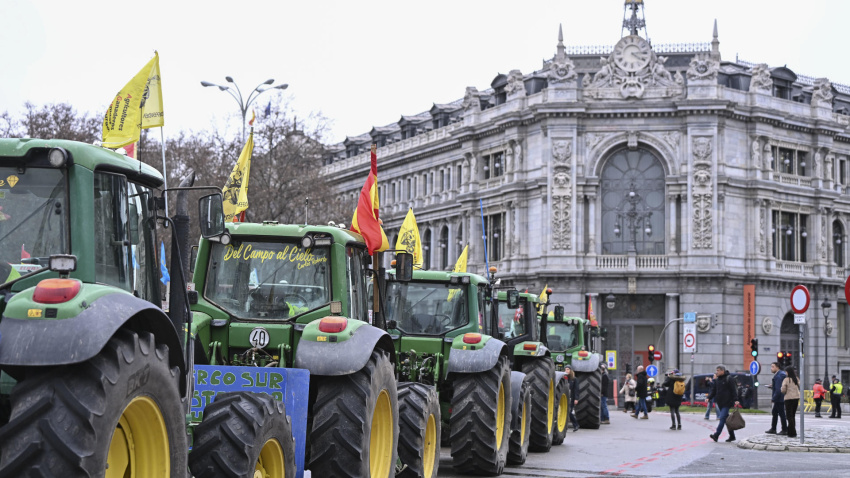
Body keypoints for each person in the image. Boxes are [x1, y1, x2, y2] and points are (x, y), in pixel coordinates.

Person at [708, 364, 740, 442]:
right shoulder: (717, 380)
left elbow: (733, 390)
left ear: (722, 371)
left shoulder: (729, 378)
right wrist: (709, 397)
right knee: (726, 420)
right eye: (716, 370)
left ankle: (716, 435)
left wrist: (736, 399)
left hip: (727, 402)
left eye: (718, 370)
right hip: (720, 402)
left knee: (722, 418)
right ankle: (732, 436)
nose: (716, 372)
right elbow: (714, 390)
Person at [766, 362, 788, 435]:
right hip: (780, 397)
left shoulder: (778, 376)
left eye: (772, 367)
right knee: (775, 412)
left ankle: (784, 429)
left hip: (779, 398)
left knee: (781, 414)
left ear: (777, 367)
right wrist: (773, 386)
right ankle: (773, 428)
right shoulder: (781, 374)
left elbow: (778, 389)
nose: (771, 368)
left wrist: (774, 398)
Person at [781, 366, 801, 438]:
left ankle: (792, 432)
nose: (785, 373)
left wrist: (783, 391)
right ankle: (791, 430)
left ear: (788, 372)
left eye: (786, 371)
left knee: (789, 416)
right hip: (796, 397)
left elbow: (783, 389)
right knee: (793, 415)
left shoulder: (786, 379)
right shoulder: (796, 378)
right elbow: (799, 386)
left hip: (788, 398)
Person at [564, 366, 580, 431]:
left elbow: (576, 389)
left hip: (572, 398)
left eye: (568, 369)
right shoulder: (564, 378)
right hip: (565, 398)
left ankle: (576, 425)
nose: (566, 371)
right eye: (565, 369)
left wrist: (576, 398)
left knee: (569, 412)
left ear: (570, 371)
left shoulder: (574, 379)